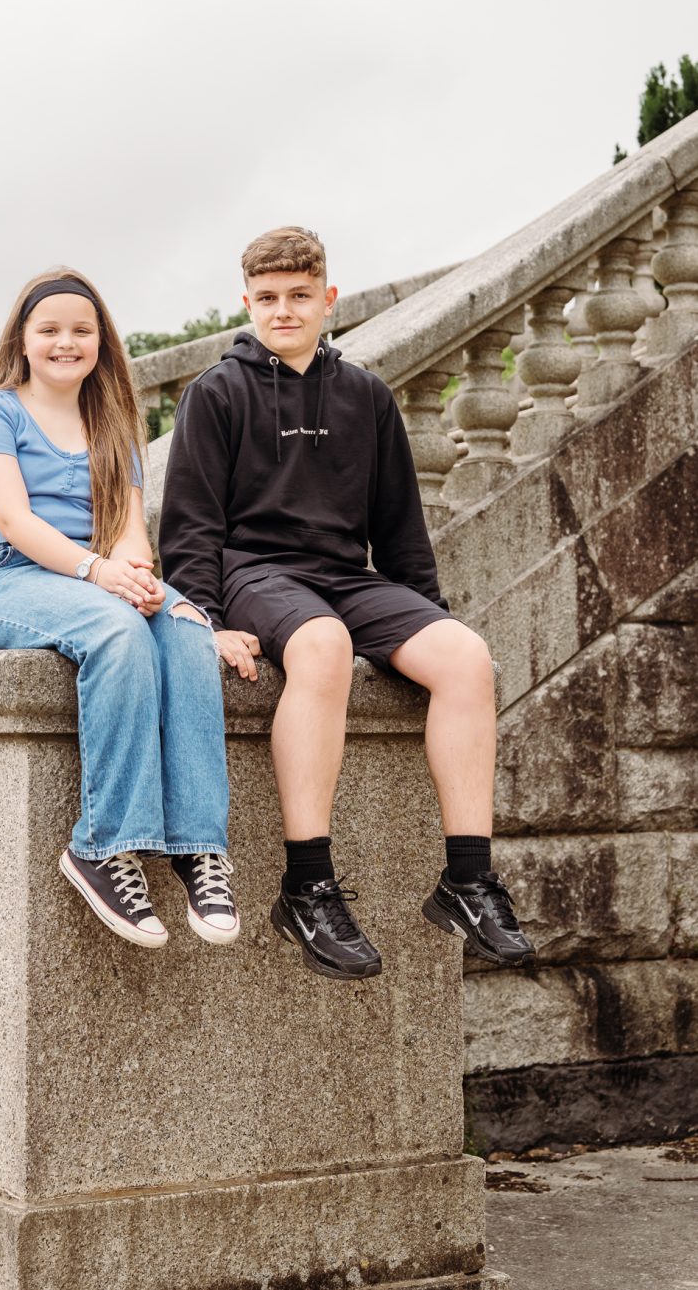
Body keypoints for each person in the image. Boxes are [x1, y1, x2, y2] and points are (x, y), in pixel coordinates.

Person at [159, 226, 534, 981]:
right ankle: (307, 883)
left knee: (465, 656)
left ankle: (466, 878)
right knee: (323, 643)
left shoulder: (366, 396)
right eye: (267, 298)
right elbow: (190, 523)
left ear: (328, 300)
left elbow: (399, 525)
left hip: (346, 575)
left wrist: (423, 617)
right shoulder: (216, 393)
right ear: (246, 302)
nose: (284, 311)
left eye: (300, 296)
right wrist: (203, 619)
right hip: (254, 574)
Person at [0, 267, 238, 950]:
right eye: (49, 329)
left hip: (92, 574)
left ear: (101, 342)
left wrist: (137, 575)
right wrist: (100, 574)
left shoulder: (110, 421)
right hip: (4, 581)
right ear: (23, 339)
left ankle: (199, 845)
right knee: (117, 630)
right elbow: (16, 523)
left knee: (186, 626)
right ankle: (102, 845)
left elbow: (129, 526)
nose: (65, 342)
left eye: (82, 330)